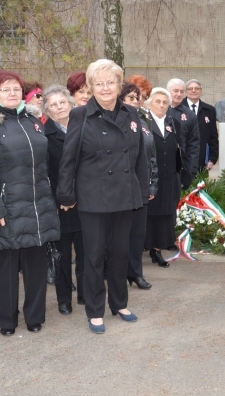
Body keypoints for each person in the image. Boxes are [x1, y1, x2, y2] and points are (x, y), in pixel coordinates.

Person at [57, 59, 149, 334]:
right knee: (94, 256)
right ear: (91, 87)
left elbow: (140, 157)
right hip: (93, 197)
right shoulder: (80, 115)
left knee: (121, 253)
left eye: (111, 82)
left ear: (120, 85)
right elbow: (68, 158)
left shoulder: (131, 114)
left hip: (124, 194)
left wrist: (142, 191)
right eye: (99, 83)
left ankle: (119, 303)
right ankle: (95, 310)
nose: (106, 88)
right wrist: (65, 194)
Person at [0, 70, 61, 335]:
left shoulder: (34, 122)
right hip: (6, 206)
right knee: (6, 269)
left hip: (37, 204)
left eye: (17, 89)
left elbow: (44, 166)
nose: (12, 94)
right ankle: (7, 321)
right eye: (6, 89)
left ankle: (35, 317)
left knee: (35, 265)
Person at [44, 85, 86, 313]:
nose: (59, 107)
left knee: (86, 251)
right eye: (54, 104)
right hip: (60, 204)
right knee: (61, 254)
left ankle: (84, 294)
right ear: (47, 110)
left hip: (86, 201)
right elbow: (45, 173)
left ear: (71, 104)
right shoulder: (44, 134)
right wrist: (57, 199)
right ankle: (64, 300)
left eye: (63, 102)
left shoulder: (84, 127)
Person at [121, 80, 158, 288]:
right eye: (131, 98)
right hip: (122, 188)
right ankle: (117, 272)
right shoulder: (116, 122)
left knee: (138, 234)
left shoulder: (143, 124)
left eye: (138, 98)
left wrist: (153, 184)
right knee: (120, 235)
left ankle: (136, 273)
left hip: (142, 187)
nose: (136, 102)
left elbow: (152, 158)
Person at [146, 87, 183, 268]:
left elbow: (178, 149)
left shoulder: (172, 122)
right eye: (157, 102)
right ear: (149, 104)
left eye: (164, 102)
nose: (161, 105)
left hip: (169, 176)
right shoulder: (144, 123)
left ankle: (157, 248)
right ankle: (150, 248)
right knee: (151, 214)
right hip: (152, 176)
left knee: (165, 214)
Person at [166, 78, 200, 188]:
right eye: (175, 91)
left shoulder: (189, 115)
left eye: (182, 91)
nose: (179, 94)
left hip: (179, 169)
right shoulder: (158, 110)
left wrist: (190, 171)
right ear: (168, 91)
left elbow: (193, 145)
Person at [185, 79, 219, 171]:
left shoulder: (209, 110)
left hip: (202, 161)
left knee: (201, 185)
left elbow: (213, 136)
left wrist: (212, 159)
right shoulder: (179, 108)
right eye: (190, 88)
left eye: (197, 88)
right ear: (186, 91)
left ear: (201, 91)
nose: (193, 90)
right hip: (183, 161)